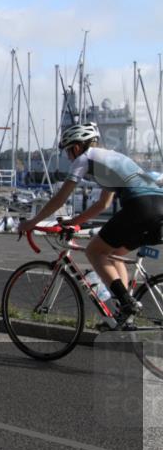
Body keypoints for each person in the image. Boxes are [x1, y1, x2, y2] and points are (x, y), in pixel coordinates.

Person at [19, 122, 163, 325]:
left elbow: (60, 198)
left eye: (68, 152)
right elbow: (103, 204)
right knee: (113, 254)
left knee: (94, 251)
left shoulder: (84, 158)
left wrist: (33, 222)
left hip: (140, 206)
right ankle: (124, 314)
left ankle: (126, 303)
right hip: (159, 206)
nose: (69, 157)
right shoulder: (111, 159)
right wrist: (73, 222)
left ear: (76, 147)